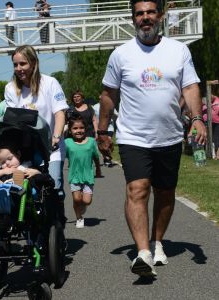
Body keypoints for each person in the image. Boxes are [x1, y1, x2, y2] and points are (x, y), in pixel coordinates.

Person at [98, 0, 206, 278]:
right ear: (133, 18)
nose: (145, 18)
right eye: (139, 13)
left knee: (165, 193)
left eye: (149, 12)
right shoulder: (120, 54)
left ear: (160, 15)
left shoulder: (178, 50)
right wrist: (102, 131)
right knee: (138, 189)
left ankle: (158, 242)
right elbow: (109, 95)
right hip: (133, 136)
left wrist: (197, 119)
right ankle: (143, 252)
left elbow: (191, 86)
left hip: (169, 135)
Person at [4, 45, 68, 224]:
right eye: (15, 65)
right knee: (23, 185)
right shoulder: (11, 88)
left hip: (51, 146)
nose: (19, 69)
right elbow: (13, 120)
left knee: (53, 185)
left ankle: (57, 221)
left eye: (22, 64)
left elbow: (59, 113)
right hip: (26, 147)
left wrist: (56, 136)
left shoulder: (50, 83)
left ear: (33, 63)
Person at [65, 114, 100, 229]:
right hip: (74, 176)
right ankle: (79, 217)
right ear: (70, 130)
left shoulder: (90, 142)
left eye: (81, 128)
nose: (78, 131)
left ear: (85, 129)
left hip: (88, 175)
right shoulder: (67, 143)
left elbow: (96, 157)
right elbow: (60, 157)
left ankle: (83, 207)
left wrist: (98, 169)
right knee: (76, 199)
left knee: (87, 201)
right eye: (75, 128)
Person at [69, 90, 102, 177]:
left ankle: (98, 167)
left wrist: (96, 132)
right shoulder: (71, 109)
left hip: (89, 132)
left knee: (93, 153)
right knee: (79, 152)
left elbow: (94, 119)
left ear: (82, 98)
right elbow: (68, 122)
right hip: (77, 134)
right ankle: (82, 170)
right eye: (74, 97)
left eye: (78, 96)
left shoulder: (89, 107)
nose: (76, 98)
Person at [92, 99, 117, 167]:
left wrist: (113, 114)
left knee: (109, 142)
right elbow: (93, 117)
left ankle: (108, 156)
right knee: (102, 144)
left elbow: (116, 115)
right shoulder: (95, 106)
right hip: (100, 127)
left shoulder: (110, 105)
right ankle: (106, 158)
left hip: (110, 127)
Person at [202, 86, 219, 159]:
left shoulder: (218, 101)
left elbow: (216, 111)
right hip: (206, 122)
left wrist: (210, 106)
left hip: (216, 123)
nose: (209, 97)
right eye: (207, 95)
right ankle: (209, 154)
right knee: (208, 138)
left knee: (216, 138)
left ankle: (217, 154)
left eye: (210, 95)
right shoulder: (204, 101)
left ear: (213, 94)